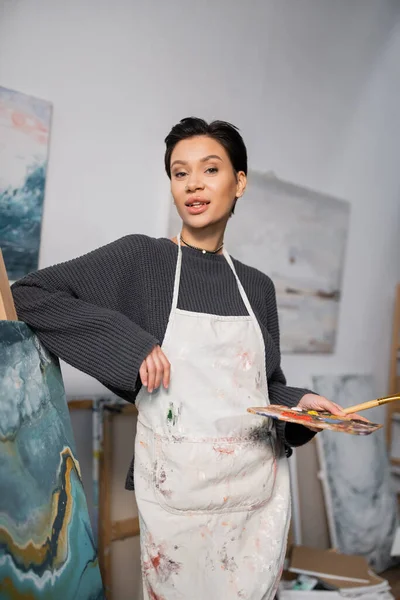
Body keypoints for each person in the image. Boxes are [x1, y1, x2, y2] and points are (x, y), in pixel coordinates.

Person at [11, 117, 356, 599]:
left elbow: (262, 386)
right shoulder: (142, 261)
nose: (193, 183)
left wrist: (302, 404)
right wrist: (129, 345)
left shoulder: (258, 286)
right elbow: (29, 294)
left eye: (209, 169)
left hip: (256, 498)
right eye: (179, 172)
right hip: (181, 499)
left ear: (239, 182)